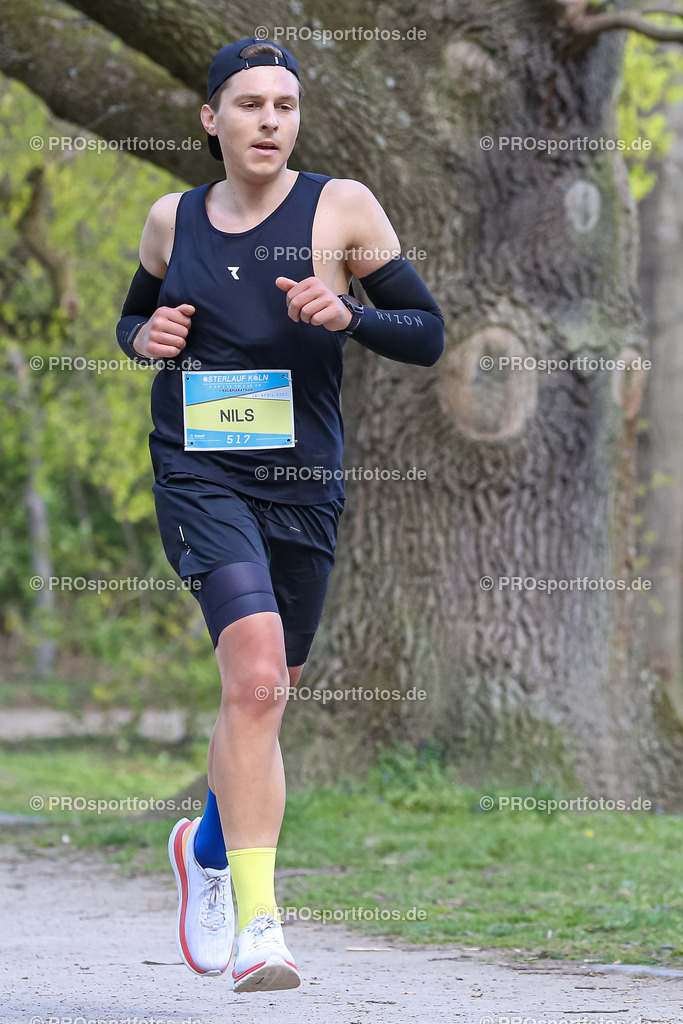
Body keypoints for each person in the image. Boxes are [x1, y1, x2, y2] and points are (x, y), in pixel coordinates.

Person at [116, 36, 444, 994]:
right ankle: (261, 923)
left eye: (285, 105)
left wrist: (350, 318)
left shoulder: (340, 208)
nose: (269, 121)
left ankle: (204, 847)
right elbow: (134, 318)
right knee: (254, 673)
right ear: (210, 118)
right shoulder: (170, 219)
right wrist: (147, 337)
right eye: (250, 104)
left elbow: (423, 332)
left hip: (301, 482)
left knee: (271, 689)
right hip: (199, 469)